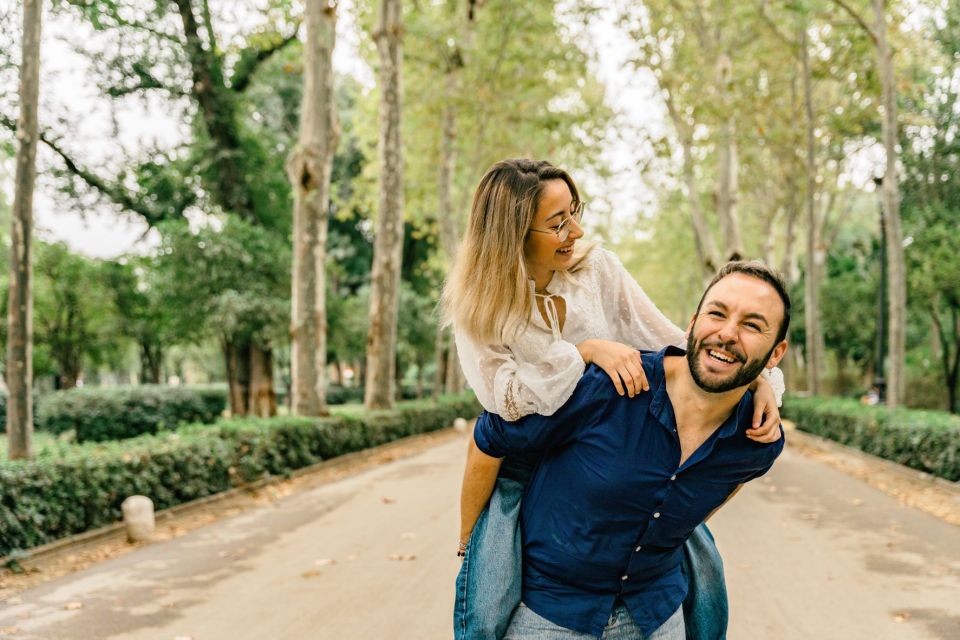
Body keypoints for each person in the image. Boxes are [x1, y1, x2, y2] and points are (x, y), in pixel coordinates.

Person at [442, 159, 785, 639]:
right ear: (514, 233)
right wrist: (584, 353)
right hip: (530, 457)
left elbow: (674, 341)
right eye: (557, 222)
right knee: (482, 605)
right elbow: (506, 406)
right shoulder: (482, 307)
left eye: (574, 212)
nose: (575, 230)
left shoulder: (597, 270)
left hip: (619, 449)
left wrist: (756, 377)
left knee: (701, 582)